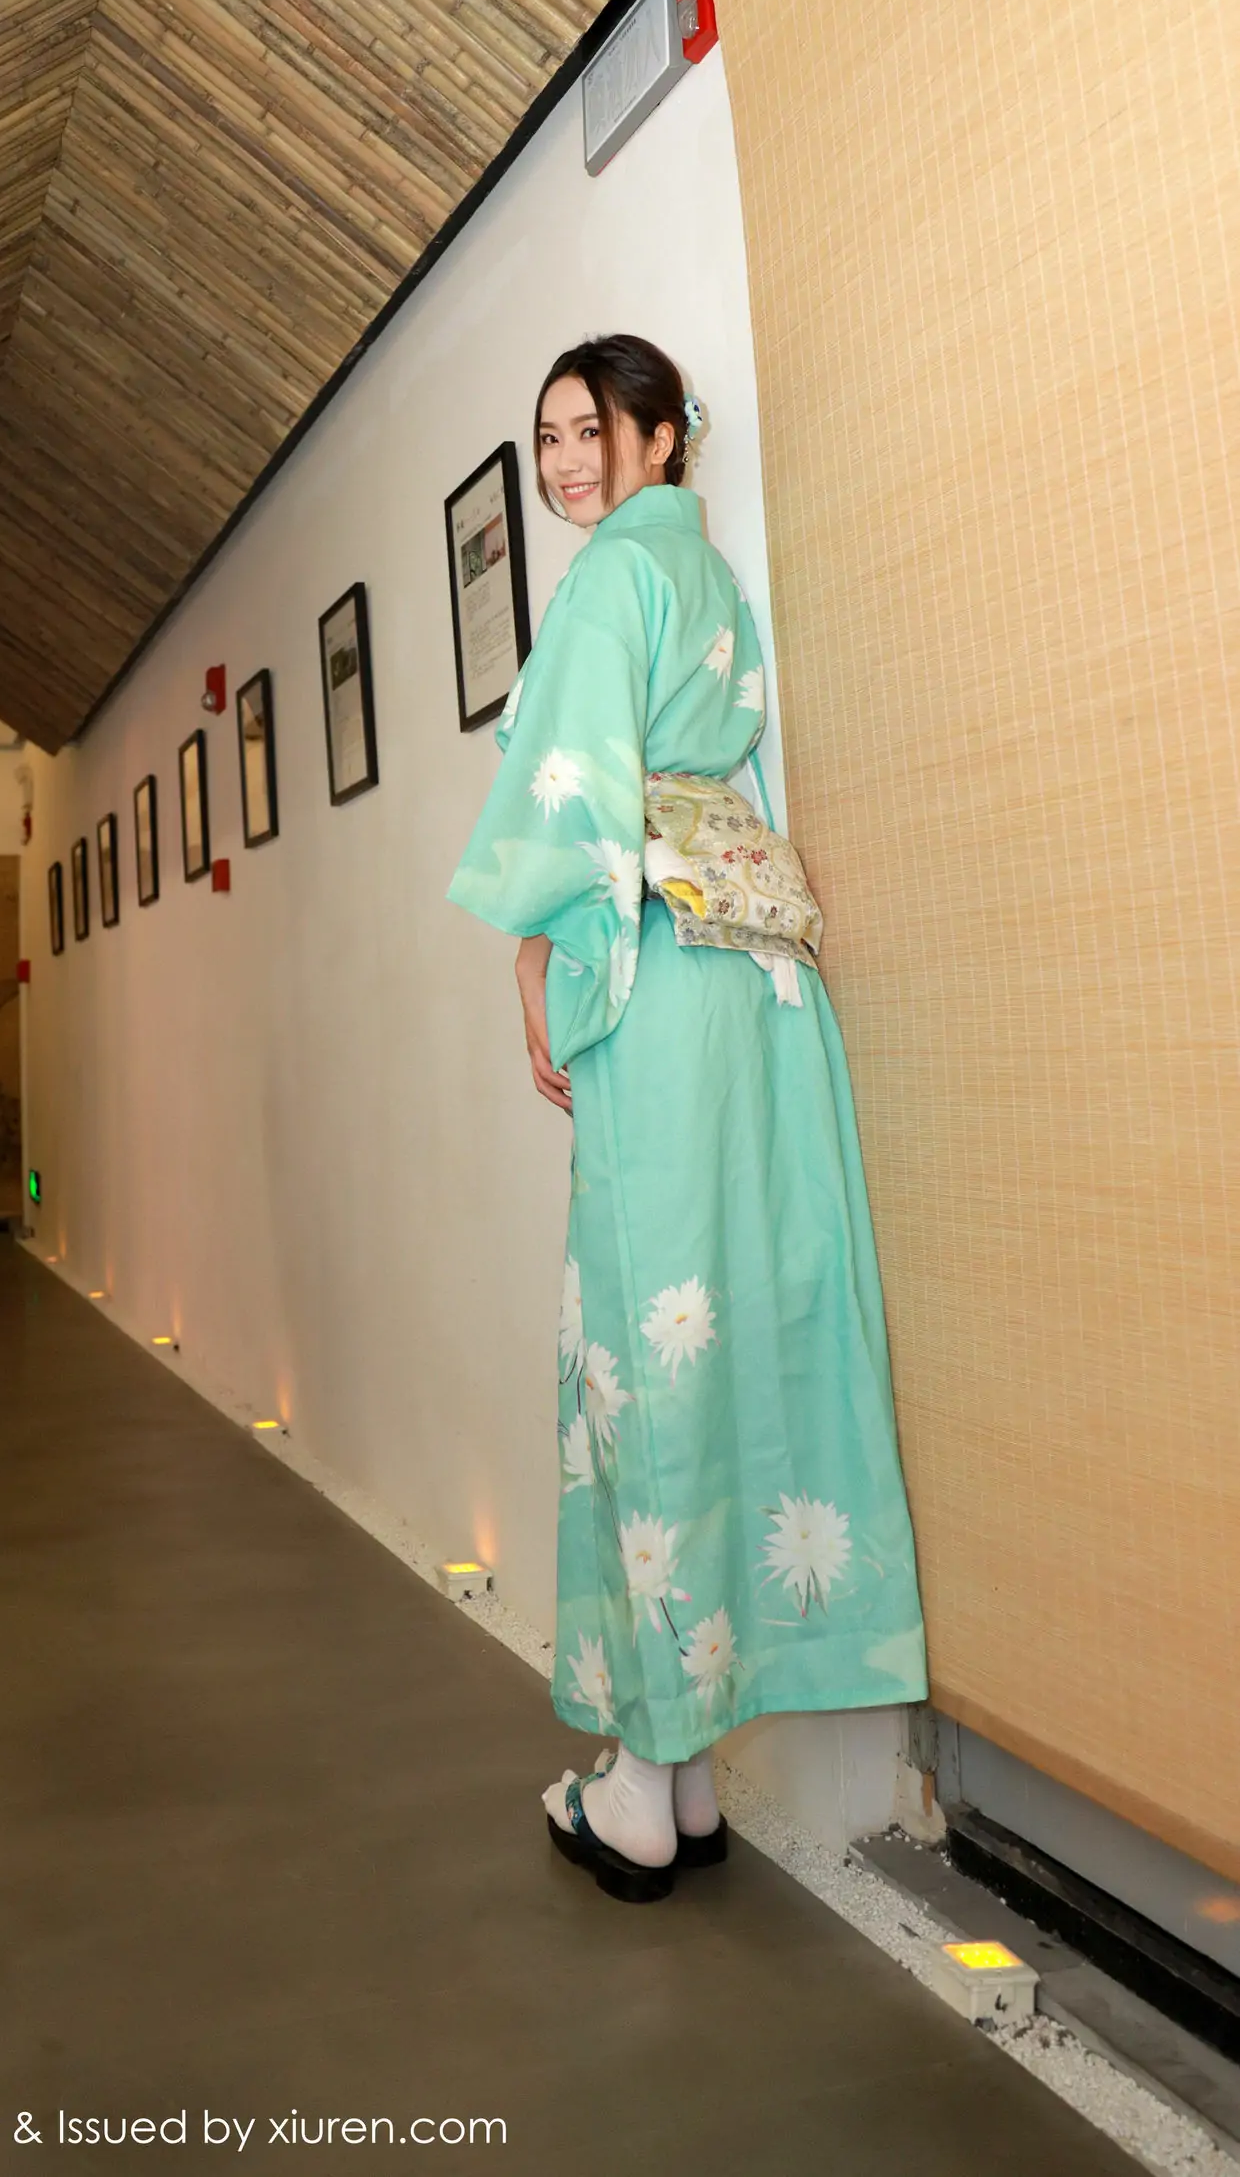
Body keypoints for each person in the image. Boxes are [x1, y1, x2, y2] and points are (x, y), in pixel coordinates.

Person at [448, 335, 926, 1903]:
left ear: (662, 436)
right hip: (760, 991)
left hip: (657, 974)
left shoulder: (607, 584)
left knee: (646, 1354)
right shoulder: (709, 582)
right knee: (733, 1331)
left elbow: (576, 803)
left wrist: (540, 960)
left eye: (591, 429)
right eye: (549, 438)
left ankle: (645, 1785)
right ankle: (690, 1769)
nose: (566, 461)